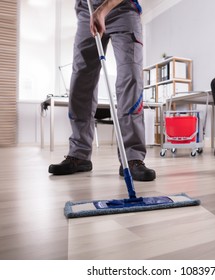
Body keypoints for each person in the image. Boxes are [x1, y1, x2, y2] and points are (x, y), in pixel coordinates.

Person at [48, 0, 156, 181]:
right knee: (80, 81)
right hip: (87, 10)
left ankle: (132, 157)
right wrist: (93, 11)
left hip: (124, 9)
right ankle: (79, 154)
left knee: (130, 78)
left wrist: (103, 10)